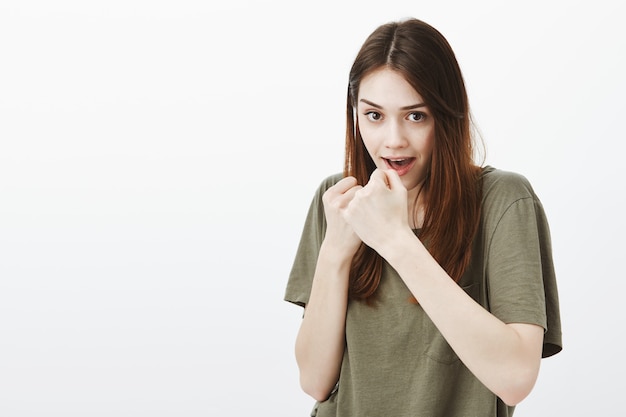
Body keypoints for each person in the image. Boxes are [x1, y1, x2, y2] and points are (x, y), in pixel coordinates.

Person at [284, 17, 562, 417]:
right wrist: (336, 252)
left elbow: (515, 378)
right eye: (374, 116)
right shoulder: (339, 199)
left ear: (446, 116)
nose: (392, 139)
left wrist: (395, 241)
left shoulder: (503, 201)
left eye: (415, 116)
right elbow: (314, 381)